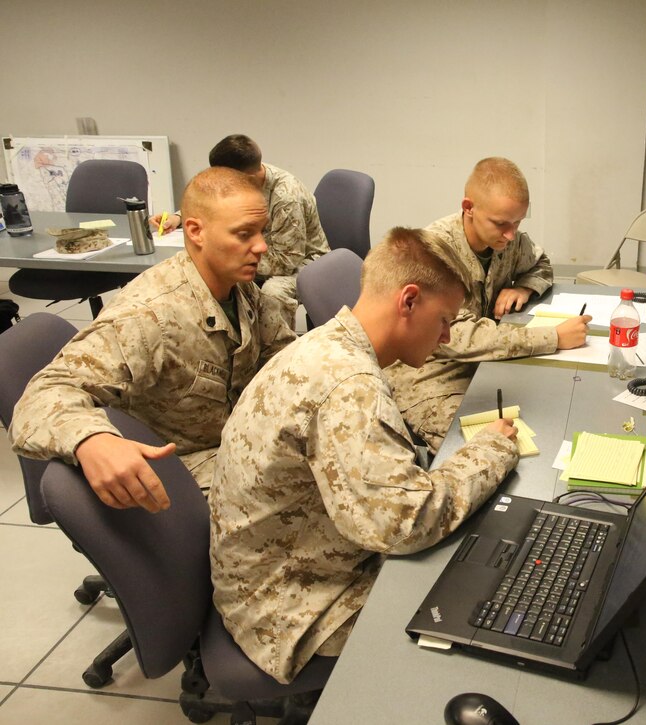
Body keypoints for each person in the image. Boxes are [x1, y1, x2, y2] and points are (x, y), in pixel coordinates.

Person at [208, 226, 520, 684]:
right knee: (490, 608)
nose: (447, 336)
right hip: (292, 609)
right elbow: (406, 523)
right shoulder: (350, 388)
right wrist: (492, 451)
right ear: (408, 301)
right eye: (444, 320)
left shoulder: (327, 343)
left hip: (278, 571)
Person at [10, 167, 297, 512]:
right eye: (244, 234)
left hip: (234, 440)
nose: (262, 246)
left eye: (261, 232)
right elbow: (42, 396)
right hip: (179, 468)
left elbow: (285, 355)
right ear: (195, 231)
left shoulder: (238, 286)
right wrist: (91, 439)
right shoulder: (149, 317)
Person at [386, 157, 590, 451]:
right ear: (468, 208)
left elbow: (540, 263)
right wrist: (554, 336)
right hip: (431, 374)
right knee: (483, 451)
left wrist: (523, 286)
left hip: (483, 362)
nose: (510, 234)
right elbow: (457, 337)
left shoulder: (505, 240)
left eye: (517, 222)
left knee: (550, 414)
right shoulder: (434, 254)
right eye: (501, 224)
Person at [152, 134, 330, 319]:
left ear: (246, 175)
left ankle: (276, 346)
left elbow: (286, 262)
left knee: (273, 292)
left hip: (304, 263)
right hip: (262, 254)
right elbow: (214, 204)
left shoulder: (286, 197)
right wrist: (178, 217)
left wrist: (226, 259)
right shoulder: (245, 179)